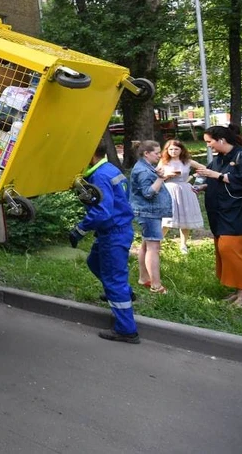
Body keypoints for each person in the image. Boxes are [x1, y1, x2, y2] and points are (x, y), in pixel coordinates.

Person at [68, 140, 140, 343]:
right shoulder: (110, 169)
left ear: (90, 157)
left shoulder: (99, 176)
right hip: (117, 229)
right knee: (94, 262)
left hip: (113, 233)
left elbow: (102, 212)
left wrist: (80, 229)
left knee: (113, 279)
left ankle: (126, 329)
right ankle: (124, 292)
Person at [195, 125, 242, 308]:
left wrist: (216, 175)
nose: (209, 146)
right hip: (223, 214)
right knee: (224, 250)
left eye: (209, 142)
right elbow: (216, 179)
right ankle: (238, 290)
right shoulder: (219, 159)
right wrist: (204, 186)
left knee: (231, 250)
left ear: (221, 139)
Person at [129, 140, 173, 294]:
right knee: (154, 248)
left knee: (146, 245)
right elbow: (148, 193)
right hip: (149, 212)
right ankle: (156, 285)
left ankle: (143, 278)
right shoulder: (143, 170)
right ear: (146, 153)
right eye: (156, 152)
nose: (159, 155)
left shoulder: (145, 166)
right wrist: (161, 178)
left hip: (149, 211)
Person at [157, 139, 206, 253]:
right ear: (167, 150)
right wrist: (166, 176)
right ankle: (158, 243)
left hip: (184, 189)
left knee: (185, 217)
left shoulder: (187, 161)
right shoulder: (163, 161)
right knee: (167, 218)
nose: (173, 151)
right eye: (171, 149)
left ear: (181, 150)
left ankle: (183, 244)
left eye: (176, 149)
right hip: (169, 189)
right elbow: (156, 175)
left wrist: (194, 177)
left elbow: (203, 168)